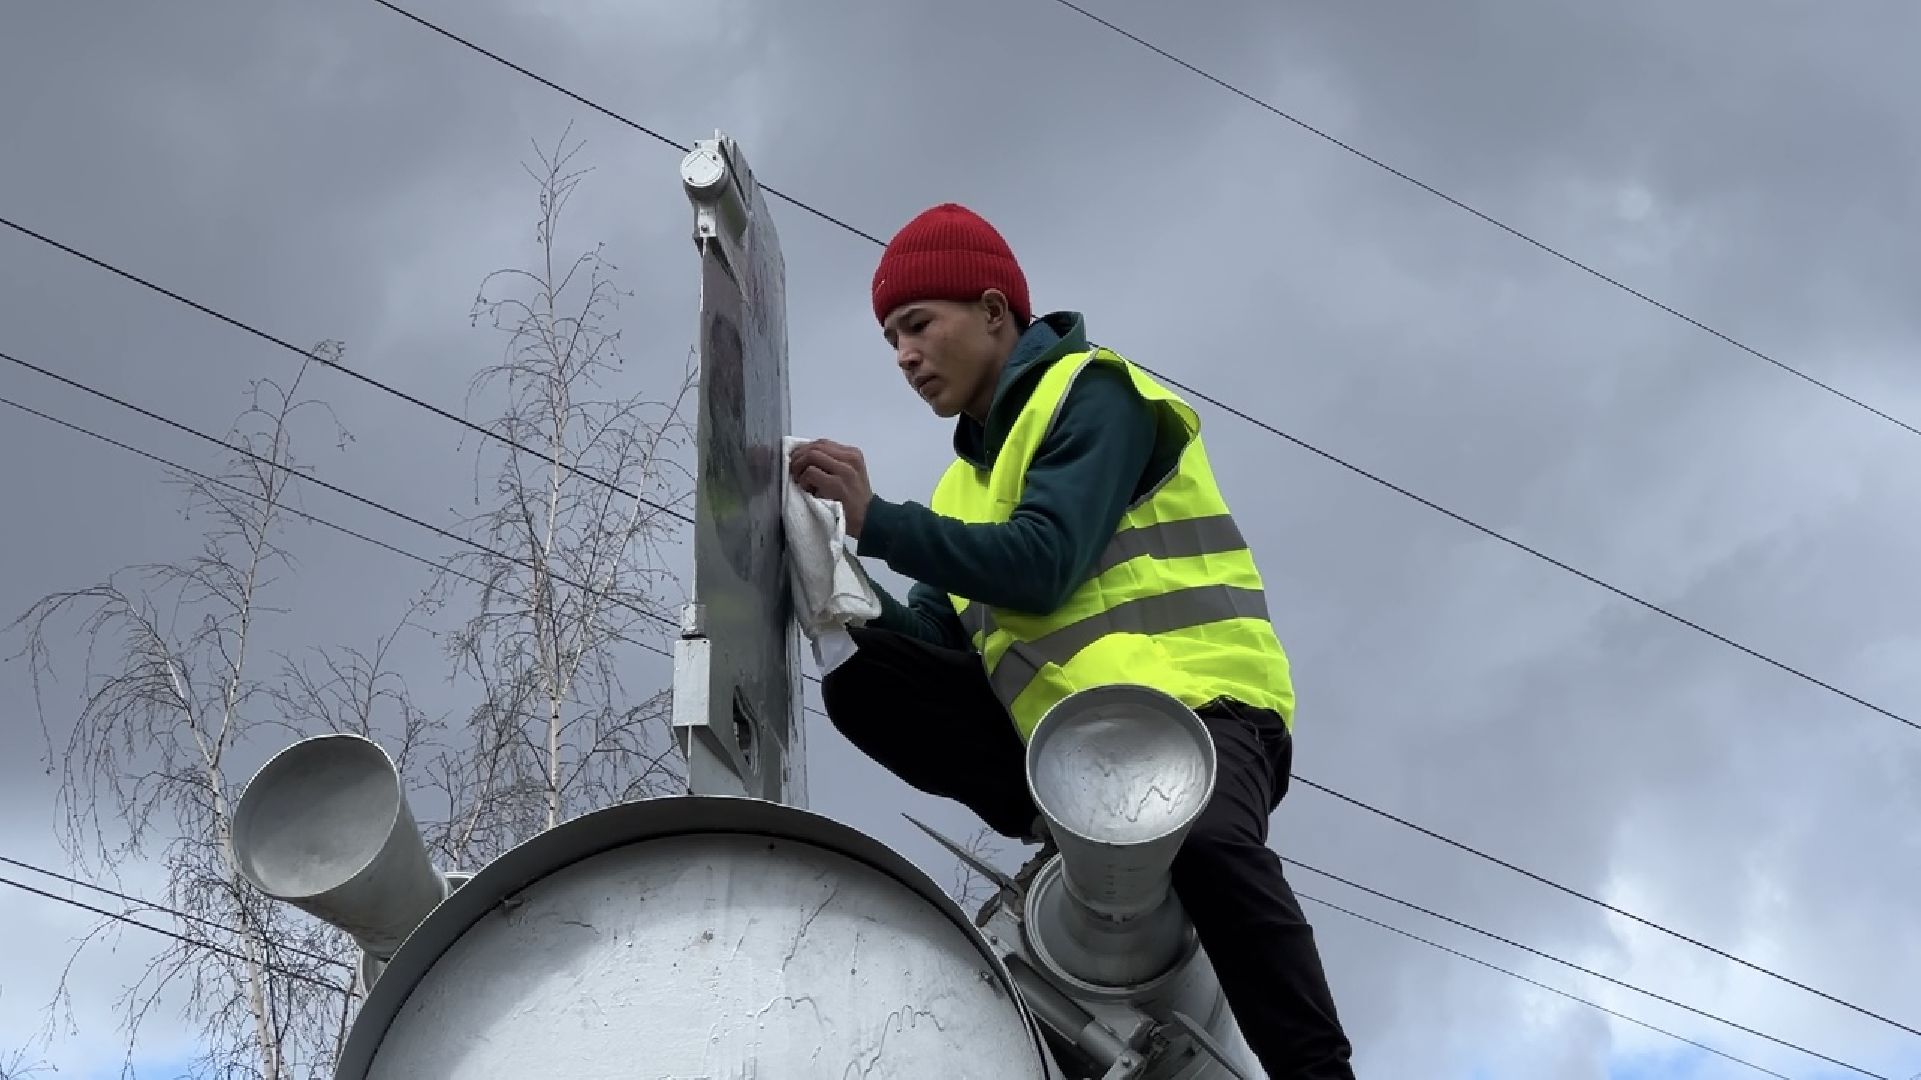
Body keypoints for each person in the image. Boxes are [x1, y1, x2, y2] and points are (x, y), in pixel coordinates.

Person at [788, 202, 1356, 1079]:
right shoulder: (959, 489)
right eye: (890, 339)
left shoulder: (1093, 392)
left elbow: (1045, 561)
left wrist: (877, 521)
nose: (902, 354)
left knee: (1204, 844)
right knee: (866, 679)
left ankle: (1318, 1072)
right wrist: (824, 572)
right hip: (1075, 764)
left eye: (917, 324)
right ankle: (1062, 833)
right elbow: (935, 638)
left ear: (991, 311)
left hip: (1202, 714)